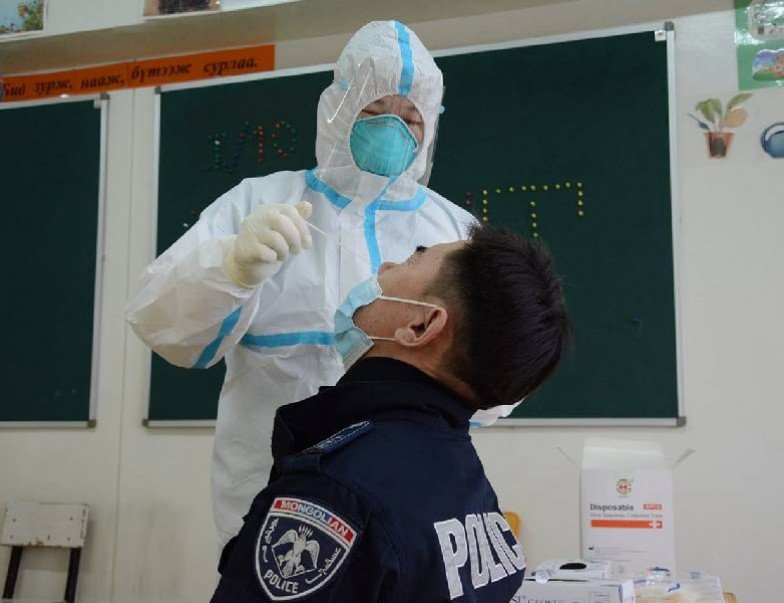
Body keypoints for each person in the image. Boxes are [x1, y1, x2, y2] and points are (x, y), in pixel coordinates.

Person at [125, 21, 520, 548]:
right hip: (277, 506)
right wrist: (230, 266)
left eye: (410, 119)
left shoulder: (454, 232)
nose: (392, 129)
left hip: (412, 503)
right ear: (337, 109)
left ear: (430, 127)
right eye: (374, 110)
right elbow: (166, 329)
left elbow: (494, 382)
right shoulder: (259, 204)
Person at [211, 225, 572, 602]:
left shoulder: (332, 490)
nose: (384, 267)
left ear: (420, 325)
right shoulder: (464, 478)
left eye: (412, 260)